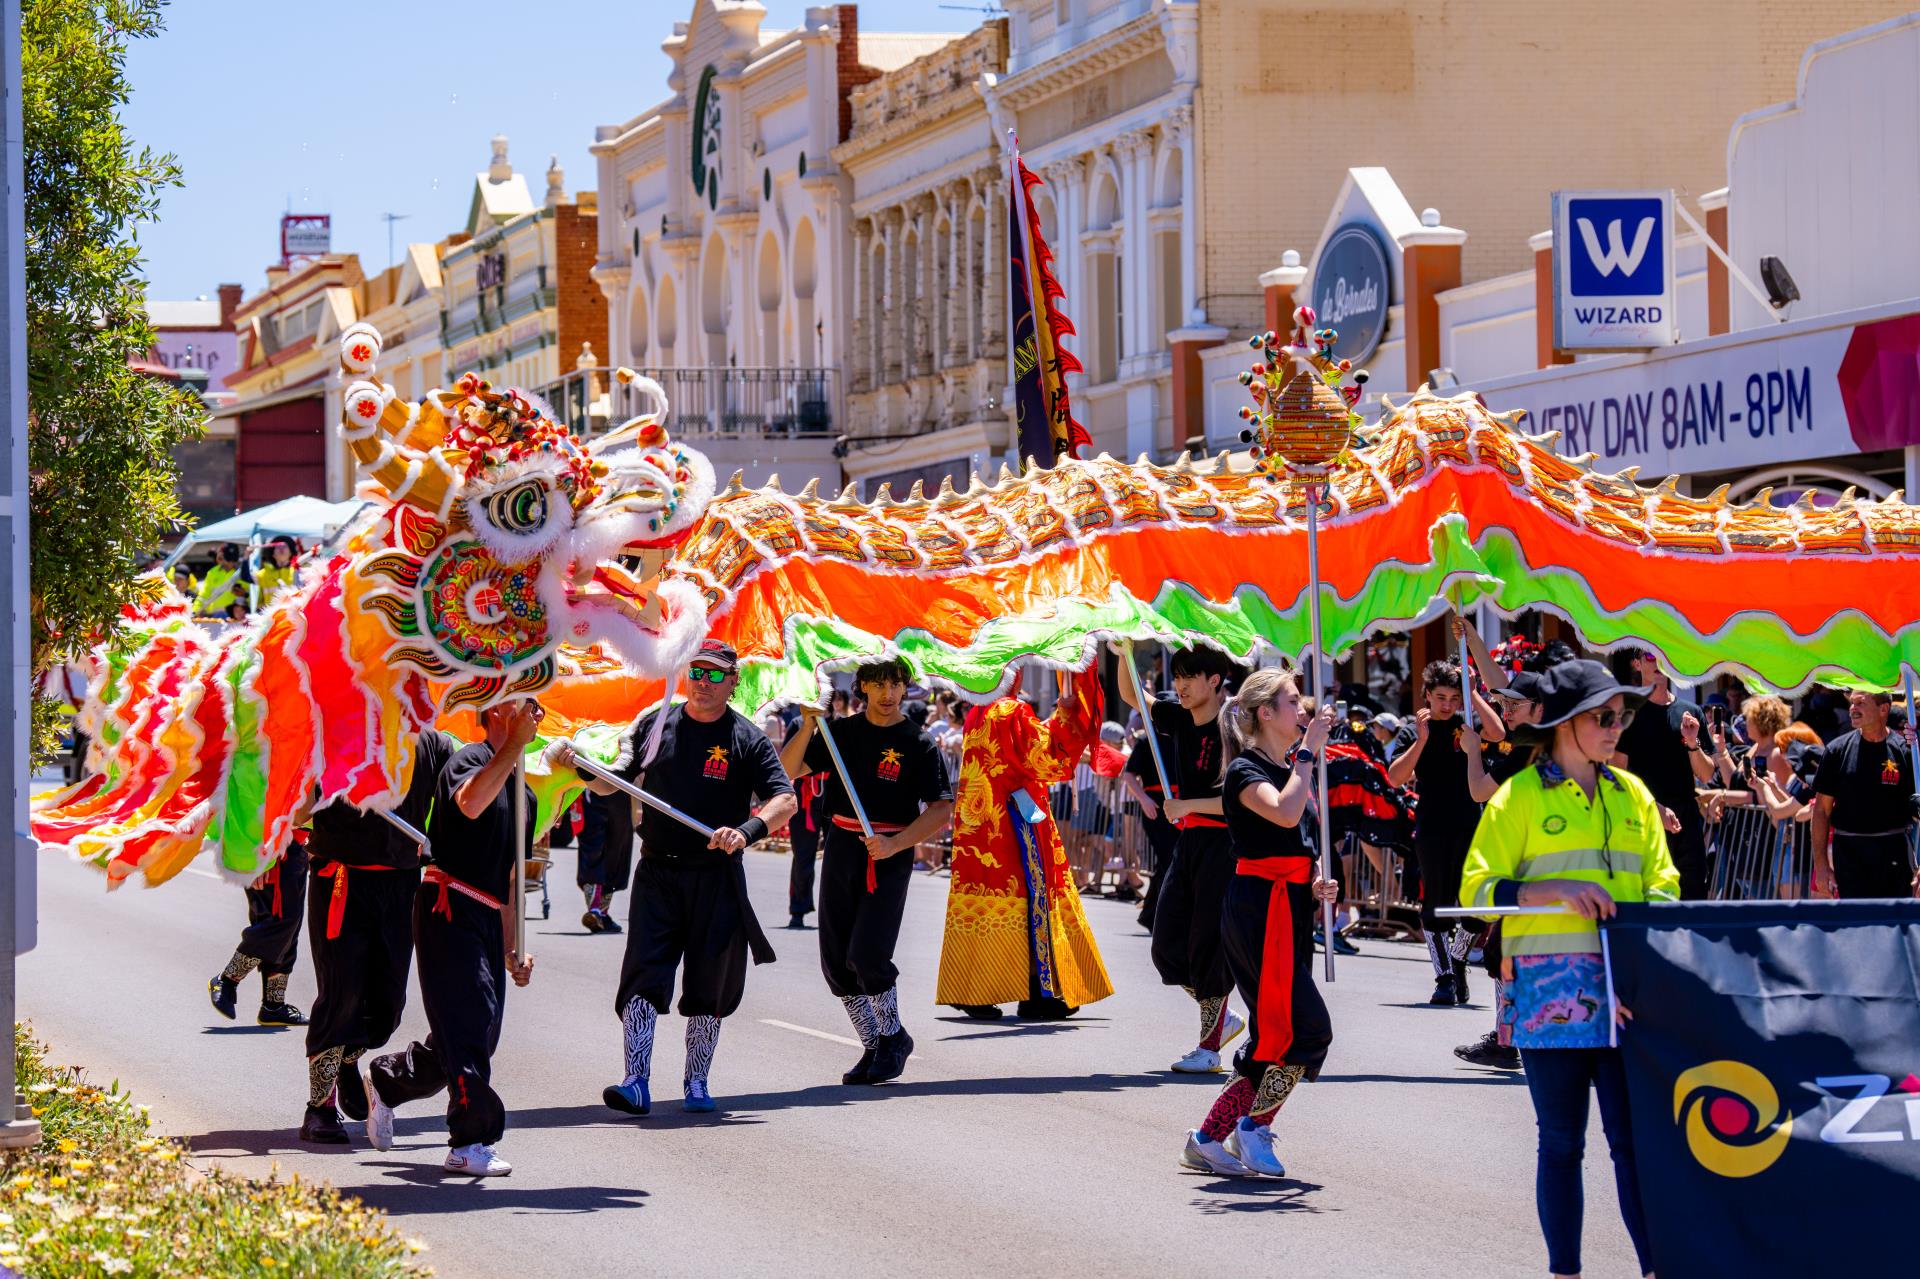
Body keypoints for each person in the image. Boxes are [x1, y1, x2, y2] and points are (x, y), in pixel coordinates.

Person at [1459, 659, 1675, 1279]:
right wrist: (1548, 888)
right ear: (1562, 725)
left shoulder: (1634, 794)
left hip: (1627, 990)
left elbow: (1664, 886)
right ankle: (1565, 1273)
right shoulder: (1516, 797)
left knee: (1635, 1148)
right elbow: (1474, 895)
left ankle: (1655, 1269)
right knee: (1561, 1144)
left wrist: (1647, 966)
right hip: (1549, 991)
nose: (1616, 728)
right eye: (1602, 717)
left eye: (1621, 716)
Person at [563, 640, 797, 1117]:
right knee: (643, 977)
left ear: (733, 683)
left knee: (709, 987)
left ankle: (696, 1080)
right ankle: (635, 1080)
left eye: (715, 675)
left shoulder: (746, 738)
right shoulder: (656, 723)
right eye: (698, 672)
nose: (704, 682)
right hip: (659, 872)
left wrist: (746, 831)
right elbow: (617, 780)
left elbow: (784, 799)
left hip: (717, 877)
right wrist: (583, 769)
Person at [367, 701, 539, 1177]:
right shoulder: (468, 759)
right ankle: (470, 1140)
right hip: (447, 904)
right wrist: (515, 747)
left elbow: (510, 882)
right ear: (495, 712)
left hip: (485, 915)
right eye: (522, 703)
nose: (533, 713)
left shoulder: (526, 793)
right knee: (469, 1022)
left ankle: (390, 1079)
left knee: (477, 1034)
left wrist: (513, 946)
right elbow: (471, 802)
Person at [1182, 670, 1338, 1177]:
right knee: (1306, 1031)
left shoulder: (1284, 765)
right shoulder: (1248, 769)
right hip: (1258, 912)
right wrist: (1310, 753)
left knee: (1277, 1032)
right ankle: (1252, 1127)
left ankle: (1209, 1137)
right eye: (1294, 701)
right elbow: (1286, 814)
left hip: (1285, 906)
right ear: (1266, 713)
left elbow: (1293, 840)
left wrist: (1312, 882)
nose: (1304, 709)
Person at [781, 658, 953, 1085]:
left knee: (868, 954)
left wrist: (897, 843)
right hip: (842, 845)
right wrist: (806, 725)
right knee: (836, 963)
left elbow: (941, 808)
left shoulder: (918, 742)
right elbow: (786, 773)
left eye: (895, 684)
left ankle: (894, 1035)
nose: (888, 693)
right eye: (878, 684)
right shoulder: (840, 734)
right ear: (862, 687)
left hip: (890, 853)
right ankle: (874, 1043)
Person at [297, 729, 455, 1145]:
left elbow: (454, 808)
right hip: (342, 880)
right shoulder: (336, 734)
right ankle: (320, 1108)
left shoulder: (436, 745)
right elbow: (298, 811)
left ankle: (348, 1057)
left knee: (388, 1009)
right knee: (340, 994)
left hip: (402, 884)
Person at [934, 669, 1113, 1021]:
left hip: (981, 828)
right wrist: (1066, 712)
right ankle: (1037, 991)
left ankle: (973, 990)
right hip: (1012, 827)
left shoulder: (978, 712)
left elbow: (1017, 749)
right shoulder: (1011, 711)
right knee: (1032, 899)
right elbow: (1047, 758)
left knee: (986, 904)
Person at [1116, 645, 1247, 1073]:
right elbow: (1134, 694)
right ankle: (1221, 1016)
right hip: (1188, 844)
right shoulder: (1176, 716)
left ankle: (1209, 1049)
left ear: (1215, 680)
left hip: (1224, 847)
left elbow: (1241, 800)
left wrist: (1188, 804)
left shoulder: (1237, 726)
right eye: (1177, 677)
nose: (1180, 685)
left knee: (1208, 947)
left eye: (1190, 677)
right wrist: (1123, 650)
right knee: (1166, 946)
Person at [1385, 653, 1506, 1006]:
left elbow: (1497, 733)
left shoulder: (1467, 722)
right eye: (1441, 698)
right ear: (1427, 695)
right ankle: (1444, 977)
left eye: (1454, 698)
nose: (1447, 705)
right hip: (1432, 825)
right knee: (1436, 902)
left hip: (1472, 822)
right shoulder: (1413, 728)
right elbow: (1395, 776)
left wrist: (1473, 692)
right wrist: (1421, 738)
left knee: (1476, 904)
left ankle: (1458, 956)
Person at [1613, 649, 1715, 900]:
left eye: (1663, 653)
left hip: (1686, 820)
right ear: (1636, 664)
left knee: (1693, 900)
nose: (1658, 661)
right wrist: (1653, 807)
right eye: (1650, 656)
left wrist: (1693, 742)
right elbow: (1616, 774)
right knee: (1653, 900)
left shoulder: (1690, 712)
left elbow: (1706, 773)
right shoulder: (1629, 713)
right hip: (1643, 819)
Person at [1810, 689, 1919, 899]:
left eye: (1860, 703)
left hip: (1895, 854)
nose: (1853, 709)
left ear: (1883, 709)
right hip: (1850, 855)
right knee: (1855, 925)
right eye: (1852, 703)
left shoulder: (1906, 752)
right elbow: (1822, 811)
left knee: (1893, 926)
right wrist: (1821, 866)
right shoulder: (1836, 751)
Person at [208, 836, 310, 1029]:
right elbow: (256, 810)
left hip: (293, 846)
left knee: (289, 929)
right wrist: (261, 858)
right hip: (270, 848)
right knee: (280, 923)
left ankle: (273, 1006)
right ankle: (227, 980)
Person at [1120, 701, 1180, 930]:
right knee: (1169, 859)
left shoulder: (1182, 735)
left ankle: (1151, 914)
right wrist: (1144, 799)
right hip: (1155, 807)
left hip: (1181, 805)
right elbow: (1129, 775)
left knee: (1172, 861)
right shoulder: (1147, 740)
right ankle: (1158, 916)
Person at [574, 789, 634, 934]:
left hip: (620, 787)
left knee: (616, 851)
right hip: (591, 786)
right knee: (592, 848)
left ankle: (601, 913)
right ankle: (595, 910)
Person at [194, 543, 248, 617]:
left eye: (233, 560)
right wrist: (195, 611)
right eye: (228, 559)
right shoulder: (212, 573)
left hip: (235, 617)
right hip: (213, 617)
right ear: (221, 557)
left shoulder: (243, 573)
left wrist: (245, 594)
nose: (231, 563)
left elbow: (254, 596)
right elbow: (203, 596)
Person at [253, 537, 298, 608]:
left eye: (284, 546)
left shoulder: (298, 572)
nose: (281, 548)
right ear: (273, 554)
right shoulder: (262, 575)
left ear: (290, 552)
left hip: (292, 615)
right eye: (278, 547)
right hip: (271, 616)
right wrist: (248, 557)